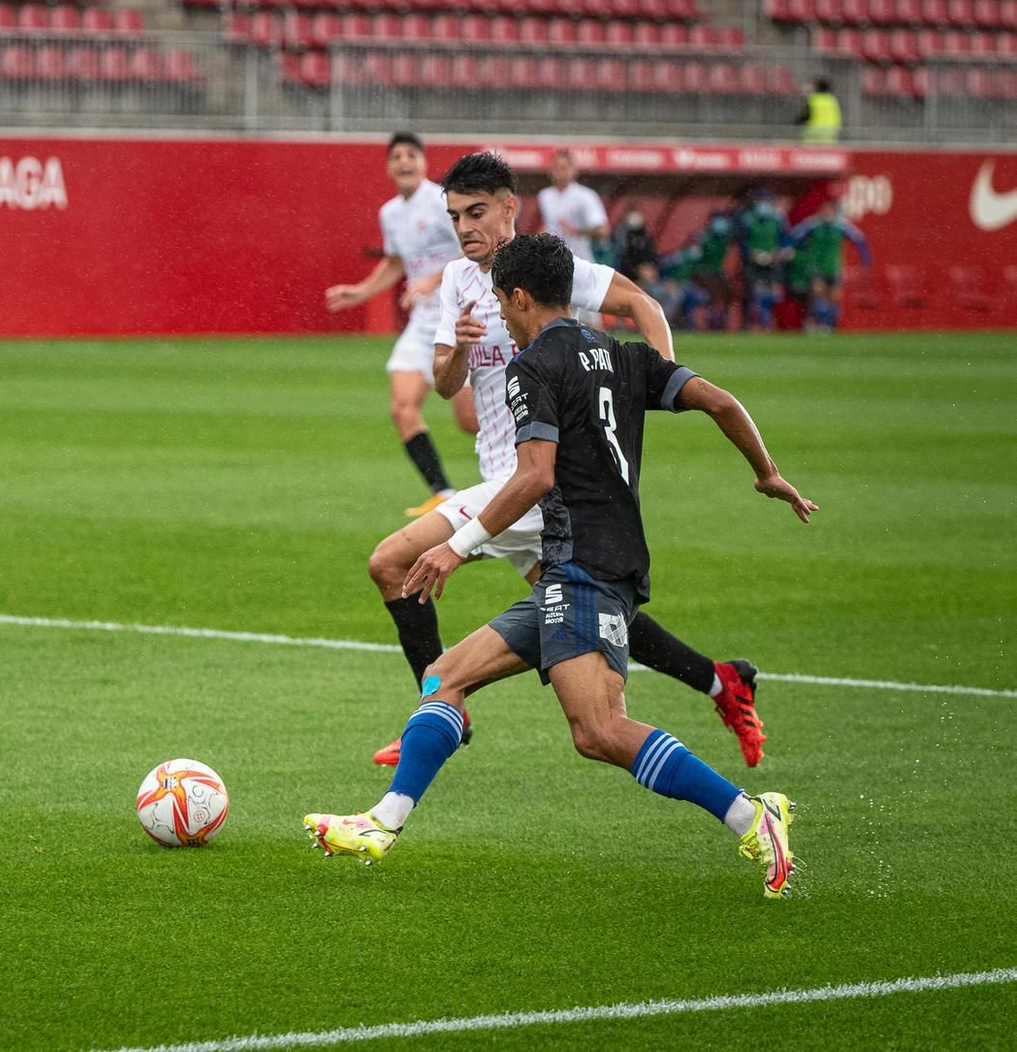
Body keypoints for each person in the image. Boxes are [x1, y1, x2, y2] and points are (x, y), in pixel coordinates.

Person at [308, 233, 818, 899]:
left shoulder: (534, 367)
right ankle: (383, 821)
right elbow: (721, 401)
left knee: (599, 731)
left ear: (520, 297)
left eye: (501, 301)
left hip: (585, 567)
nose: (500, 314)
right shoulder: (626, 355)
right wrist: (767, 473)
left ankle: (753, 817)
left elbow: (535, 476)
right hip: (586, 564)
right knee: (444, 676)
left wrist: (456, 546)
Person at [367, 153, 766, 773]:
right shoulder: (457, 282)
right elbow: (445, 386)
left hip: (533, 480)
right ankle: (721, 680)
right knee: (583, 613)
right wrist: (459, 351)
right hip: (508, 478)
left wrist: (654, 377)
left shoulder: (548, 270)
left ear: (510, 208)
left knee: (391, 563)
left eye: (477, 212)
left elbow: (642, 304)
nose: (465, 227)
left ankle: (439, 710)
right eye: (455, 216)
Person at [326, 132, 477, 517]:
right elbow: (395, 263)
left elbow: (472, 250)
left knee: (470, 420)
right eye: (397, 156)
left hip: (459, 316)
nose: (404, 162)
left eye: (411, 154)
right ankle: (443, 493)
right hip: (423, 322)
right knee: (402, 407)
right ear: (389, 167)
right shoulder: (390, 212)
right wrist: (359, 292)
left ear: (424, 162)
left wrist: (433, 280)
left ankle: (540, 464)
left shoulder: (443, 201)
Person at [536, 149, 609, 325]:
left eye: (564, 167)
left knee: (591, 323)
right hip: (554, 266)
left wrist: (577, 231)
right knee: (557, 321)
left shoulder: (585, 196)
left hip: (580, 264)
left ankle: (601, 344)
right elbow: (549, 225)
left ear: (573, 170)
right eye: (556, 167)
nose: (560, 172)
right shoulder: (545, 196)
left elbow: (603, 230)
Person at [783, 198, 872, 334]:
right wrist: (786, 249)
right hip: (816, 265)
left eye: (830, 210)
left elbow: (860, 240)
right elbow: (794, 236)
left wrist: (865, 261)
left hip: (834, 266)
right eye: (825, 210)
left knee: (834, 297)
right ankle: (815, 322)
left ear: (834, 211)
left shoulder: (841, 225)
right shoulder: (812, 224)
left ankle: (829, 325)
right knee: (818, 293)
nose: (827, 213)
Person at [736, 190, 788, 334]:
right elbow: (741, 239)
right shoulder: (747, 218)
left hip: (773, 261)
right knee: (755, 293)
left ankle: (767, 324)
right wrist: (750, 252)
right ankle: (752, 324)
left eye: (766, 201)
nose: (763, 204)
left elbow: (785, 238)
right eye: (760, 201)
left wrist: (778, 251)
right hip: (753, 262)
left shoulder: (778, 217)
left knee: (772, 294)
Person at [613, 208, 657, 282]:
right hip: (629, 272)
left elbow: (651, 253)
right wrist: (637, 270)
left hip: (644, 269)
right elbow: (623, 256)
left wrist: (648, 266)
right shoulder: (621, 235)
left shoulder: (645, 235)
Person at [796, 77, 843, 144]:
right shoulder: (832, 99)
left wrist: (797, 121)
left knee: (808, 149)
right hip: (830, 131)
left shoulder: (812, 99)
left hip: (813, 131)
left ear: (818, 87)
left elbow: (805, 115)